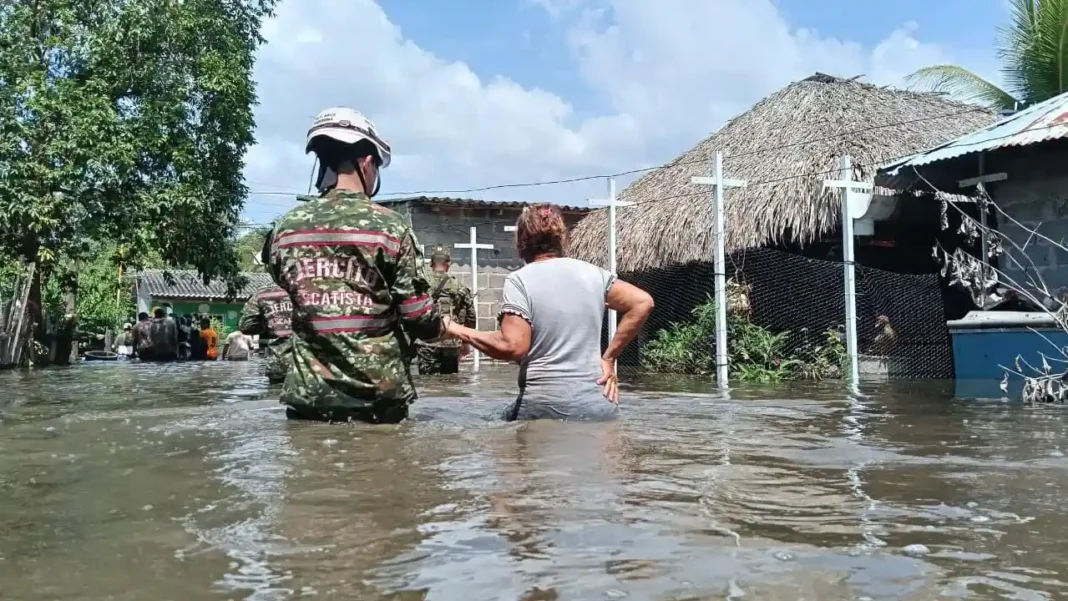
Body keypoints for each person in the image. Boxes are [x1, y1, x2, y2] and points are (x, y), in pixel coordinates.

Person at [264, 106, 445, 424]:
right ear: (367, 163)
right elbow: (419, 319)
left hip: (309, 397)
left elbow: (284, 283)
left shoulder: (285, 229)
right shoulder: (391, 228)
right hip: (377, 397)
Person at [443, 204, 654, 421]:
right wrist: (609, 359)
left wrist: (456, 329)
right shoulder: (595, 275)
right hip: (600, 405)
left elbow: (512, 346)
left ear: (521, 244)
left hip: (545, 406)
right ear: (562, 239)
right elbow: (642, 302)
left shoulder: (520, 280)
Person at [415, 246, 475, 375]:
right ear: (448, 264)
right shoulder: (459, 286)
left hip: (426, 342)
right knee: (451, 383)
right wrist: (466, 343)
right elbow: (471, 316)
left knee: (426, 382)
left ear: (431, 263)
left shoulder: (421, 285)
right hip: (451, 342)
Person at [239, 284, 293, 384]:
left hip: (280, 363)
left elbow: (246, 325)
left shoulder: (263, 293)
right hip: (316, 365)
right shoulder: (322, 290)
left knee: (275, 397)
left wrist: (269, 326)